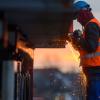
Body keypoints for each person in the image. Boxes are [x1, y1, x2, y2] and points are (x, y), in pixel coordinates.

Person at [72, 1, 100, 100]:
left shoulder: (91, 25)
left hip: (95, 70)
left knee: (94, 97)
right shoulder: (90, 25)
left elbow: (91, 47)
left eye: (78, 17)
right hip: (93, 70)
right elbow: (86, 47)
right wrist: (76, 42)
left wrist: (79, 39)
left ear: (82, 13)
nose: (78, 20)